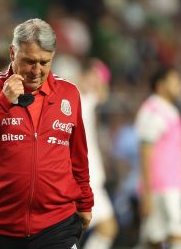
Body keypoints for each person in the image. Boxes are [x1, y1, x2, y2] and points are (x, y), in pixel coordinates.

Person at [0, 18, 93, 249]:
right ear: (12, 53)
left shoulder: (69, 94)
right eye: (29, 61)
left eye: (44, 62)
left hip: (57, 225)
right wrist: (1, 103)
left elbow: (78, 156)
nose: (37, 71)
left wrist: (85, 202)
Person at [135, 68, 181, 249]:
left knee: (153, 240)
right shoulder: (153, 111)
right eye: (175, 82)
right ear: (160, 86)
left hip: (169, 185)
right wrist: (147, 194)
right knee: (179, 233)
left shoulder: (170, 110)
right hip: (163, 187)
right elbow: (145, 152)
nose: (180, 86)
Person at [78, 59, 118, 249]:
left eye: (99, 80)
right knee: (107, 226)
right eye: (93, 76)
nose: (96, 83)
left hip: (89, 175)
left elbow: (102, 95)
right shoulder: (72, 97)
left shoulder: (88, 100)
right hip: (81, 176)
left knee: (106, 227)